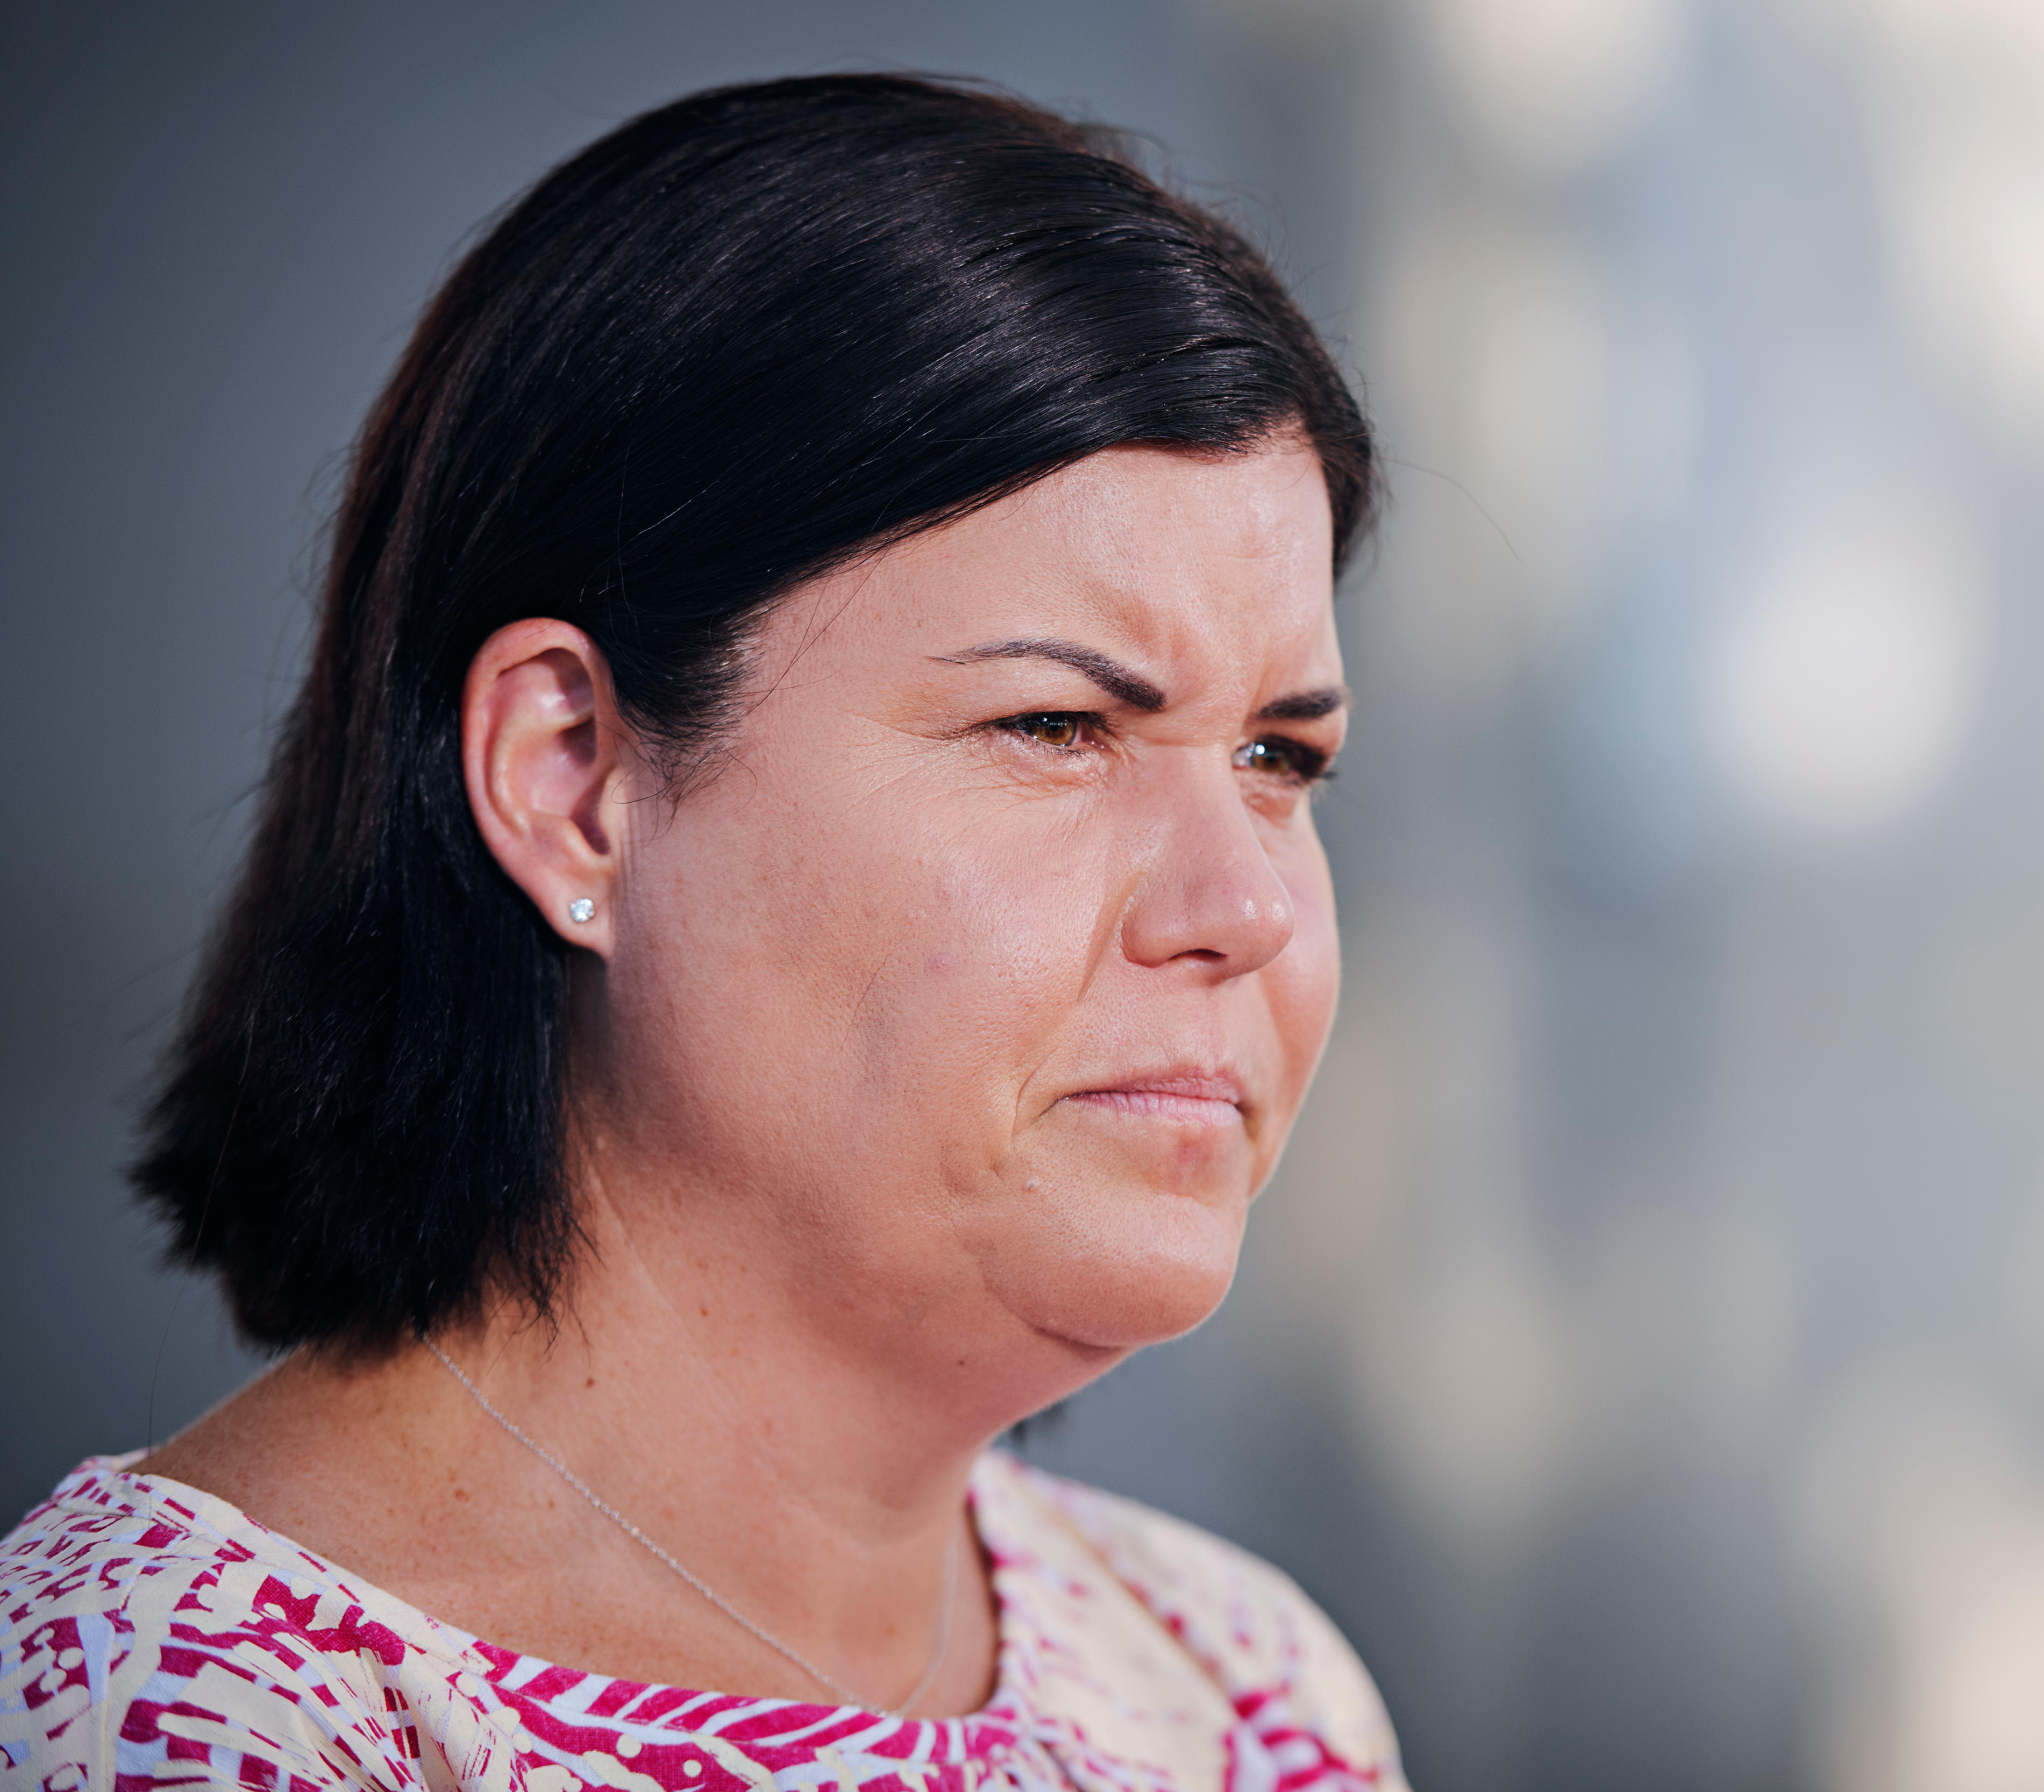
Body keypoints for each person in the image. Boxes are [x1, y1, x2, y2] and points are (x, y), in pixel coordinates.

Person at [0, 74, 1399, 1792]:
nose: (1247, 906)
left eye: (1282, 756)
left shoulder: (1245, 1692)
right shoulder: (164, 1721)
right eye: (1055, 729)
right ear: (573, 779)